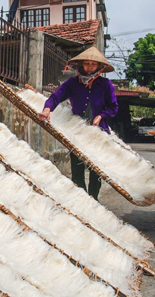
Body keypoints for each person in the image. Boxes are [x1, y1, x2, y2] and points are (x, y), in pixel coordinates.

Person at [38, 46, 118, 200]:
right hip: (77, 132)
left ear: (99, 67)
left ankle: (93, 199)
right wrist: (47, 109)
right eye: (87, 63)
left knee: (96, 170)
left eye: (93, 64)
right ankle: (82, 200)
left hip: (98, 133)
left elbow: (113, 107)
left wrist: (101, 116)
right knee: (77, 168)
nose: (90, 67)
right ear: (81, 65)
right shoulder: (72, 83)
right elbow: (56, 96)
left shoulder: (105, 84)